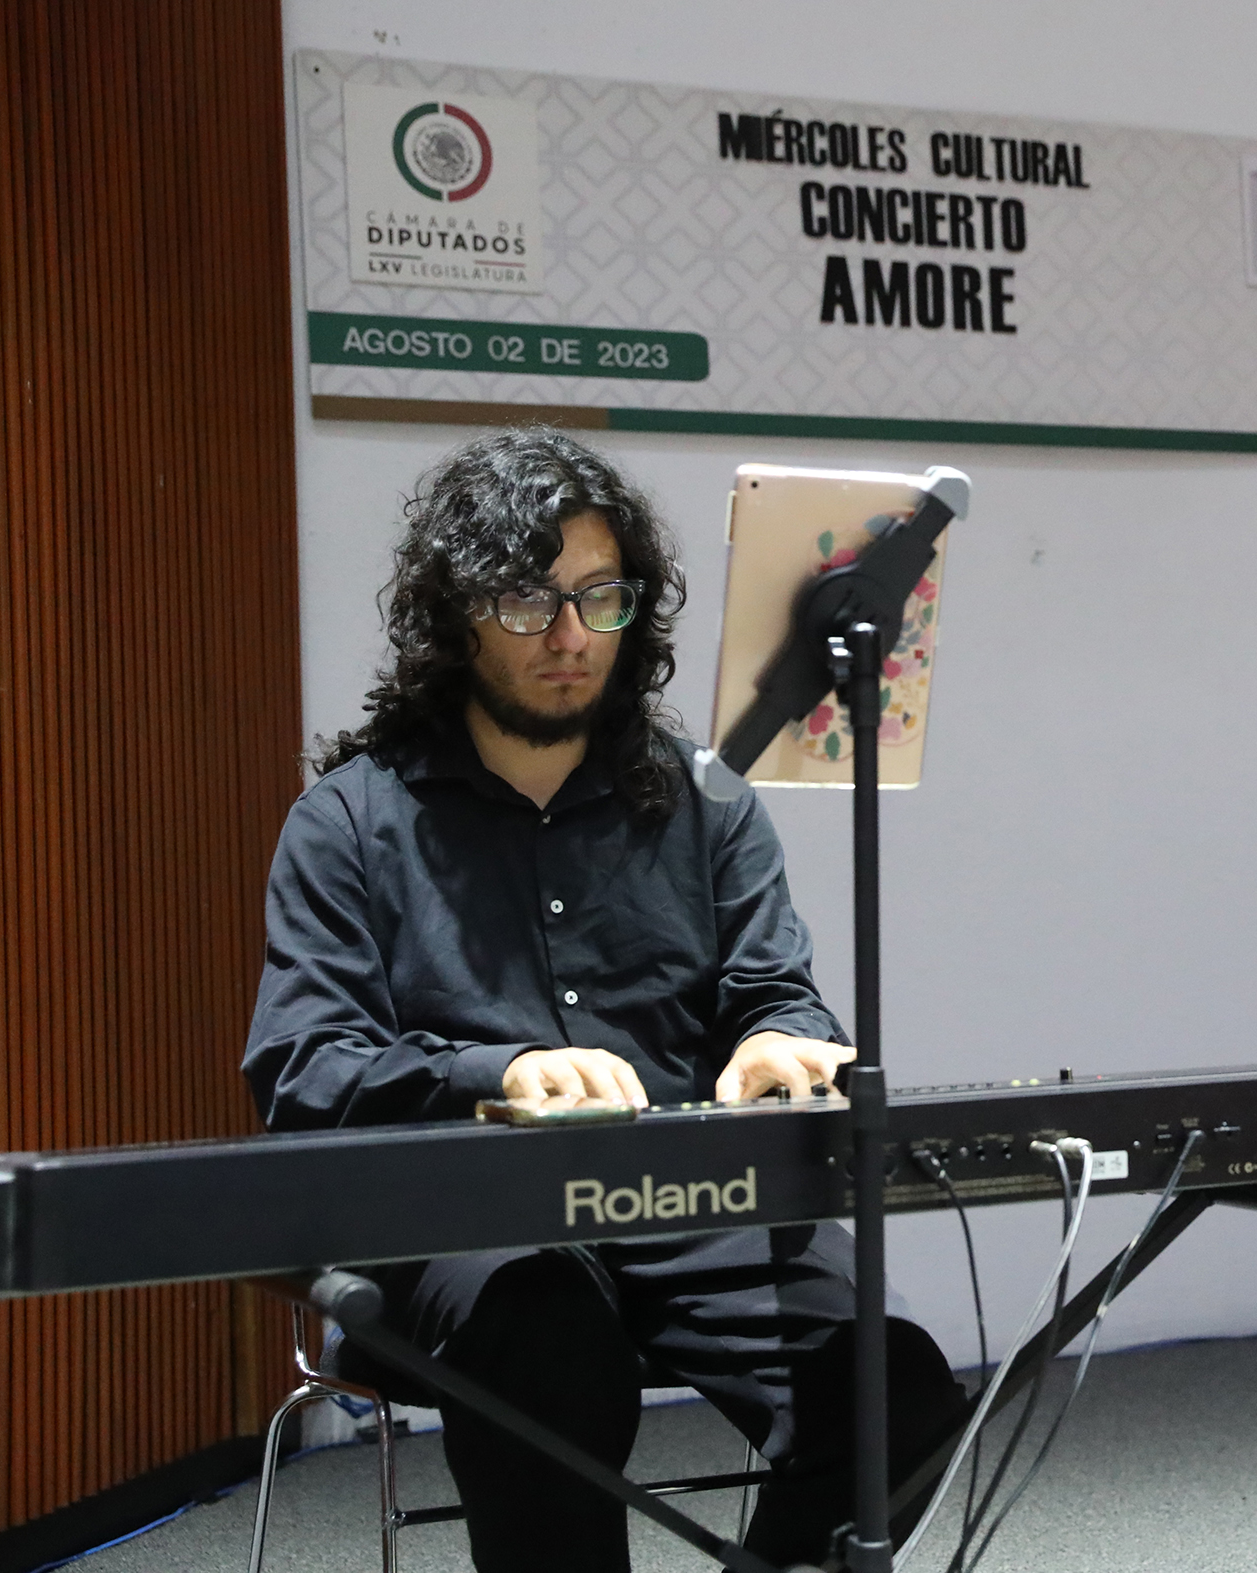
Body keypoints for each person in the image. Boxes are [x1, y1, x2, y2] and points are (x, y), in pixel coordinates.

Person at [244, 428, 965, 1573]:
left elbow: (774, 992)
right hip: (462, 1222)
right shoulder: (350, 821)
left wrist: (782, 1040)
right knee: (548, 1339)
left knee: (895, 1389)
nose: (573, 636)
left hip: (688, 1202)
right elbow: (303, 1065)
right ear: (456, 614)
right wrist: (496, 1075)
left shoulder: (707, 805)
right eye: (529, 601)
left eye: (600, 598)